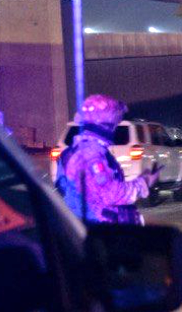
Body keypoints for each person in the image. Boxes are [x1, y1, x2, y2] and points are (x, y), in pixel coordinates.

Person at [57, 94, 158, 224]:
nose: (115, 128)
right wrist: (144, 183)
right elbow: (111, 194)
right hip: (97, 230)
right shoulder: (89, 154)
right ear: (103, 124)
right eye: (113, 123)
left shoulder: (80, 150)